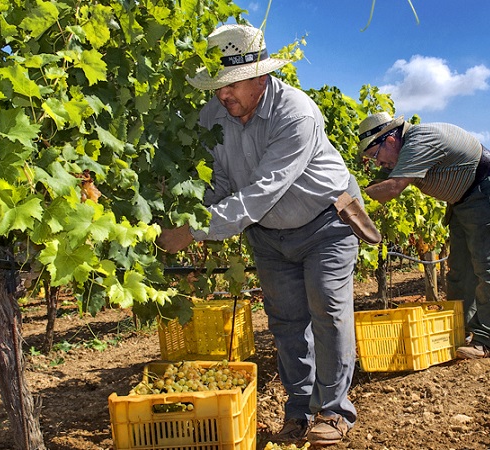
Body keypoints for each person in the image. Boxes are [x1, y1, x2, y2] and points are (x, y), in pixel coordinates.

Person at [157, 24, 379, 446]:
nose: (223, 96)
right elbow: (221, 182)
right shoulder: (213, 114)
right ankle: (300, 410)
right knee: (287, 322)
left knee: (328, 313)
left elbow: (261, 193)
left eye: (231, 86)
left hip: (326, 223)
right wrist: (184, 209)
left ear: (260, 77)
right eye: (217, 87)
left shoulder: (294, 112)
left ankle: (333, 411)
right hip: (269, 235)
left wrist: (192, 231)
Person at [357, 112, 490, 359]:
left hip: (484, 190)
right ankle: (460, 332)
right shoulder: (403, 150)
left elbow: (393, 188)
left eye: (374, 155)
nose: (378, 163)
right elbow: (380, 181)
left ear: (390, 140)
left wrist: (351, 202)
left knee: (487, 266)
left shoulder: (419, 140)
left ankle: (488, 339)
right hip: (462, 199)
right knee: (460, 270)